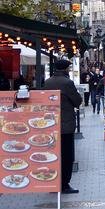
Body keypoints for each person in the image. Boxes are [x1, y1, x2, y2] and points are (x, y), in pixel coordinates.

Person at [44, 58, 83, 194]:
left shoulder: (47, 82)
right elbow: (77, 101)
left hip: (50, 123)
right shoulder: (67, 83)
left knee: (53, 155)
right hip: (65, 125)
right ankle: (64, 184)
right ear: (65, 69)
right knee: (67, 156)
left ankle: (53, 182)